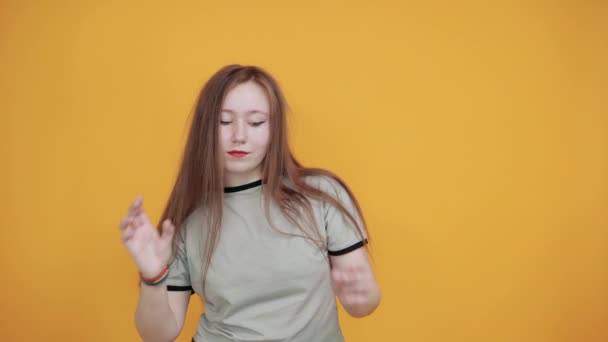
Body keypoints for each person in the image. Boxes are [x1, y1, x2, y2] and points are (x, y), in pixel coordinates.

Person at [118, 64, 381, 342]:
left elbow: (363, 306)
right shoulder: (188, 219)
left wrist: (361, 293)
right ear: (206, 128)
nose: (239, 136)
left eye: (256, 122)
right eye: (224, 121)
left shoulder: (321, 195)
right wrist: (153, 277)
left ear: (274, 129)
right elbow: (157, 336)